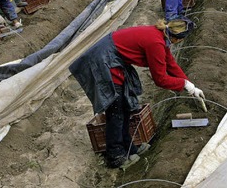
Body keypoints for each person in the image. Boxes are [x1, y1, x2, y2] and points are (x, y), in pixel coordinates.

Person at [69, 18, 205, 169]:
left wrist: (190, 85)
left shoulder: (162, 35)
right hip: (104, 60)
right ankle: (115, 155)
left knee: (125, 105)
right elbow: (160, 79)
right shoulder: (156, 43)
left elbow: (170, 64)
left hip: (115, 59)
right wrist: (183, 84)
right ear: (177, 38)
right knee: (116, 110)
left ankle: (129, 146)